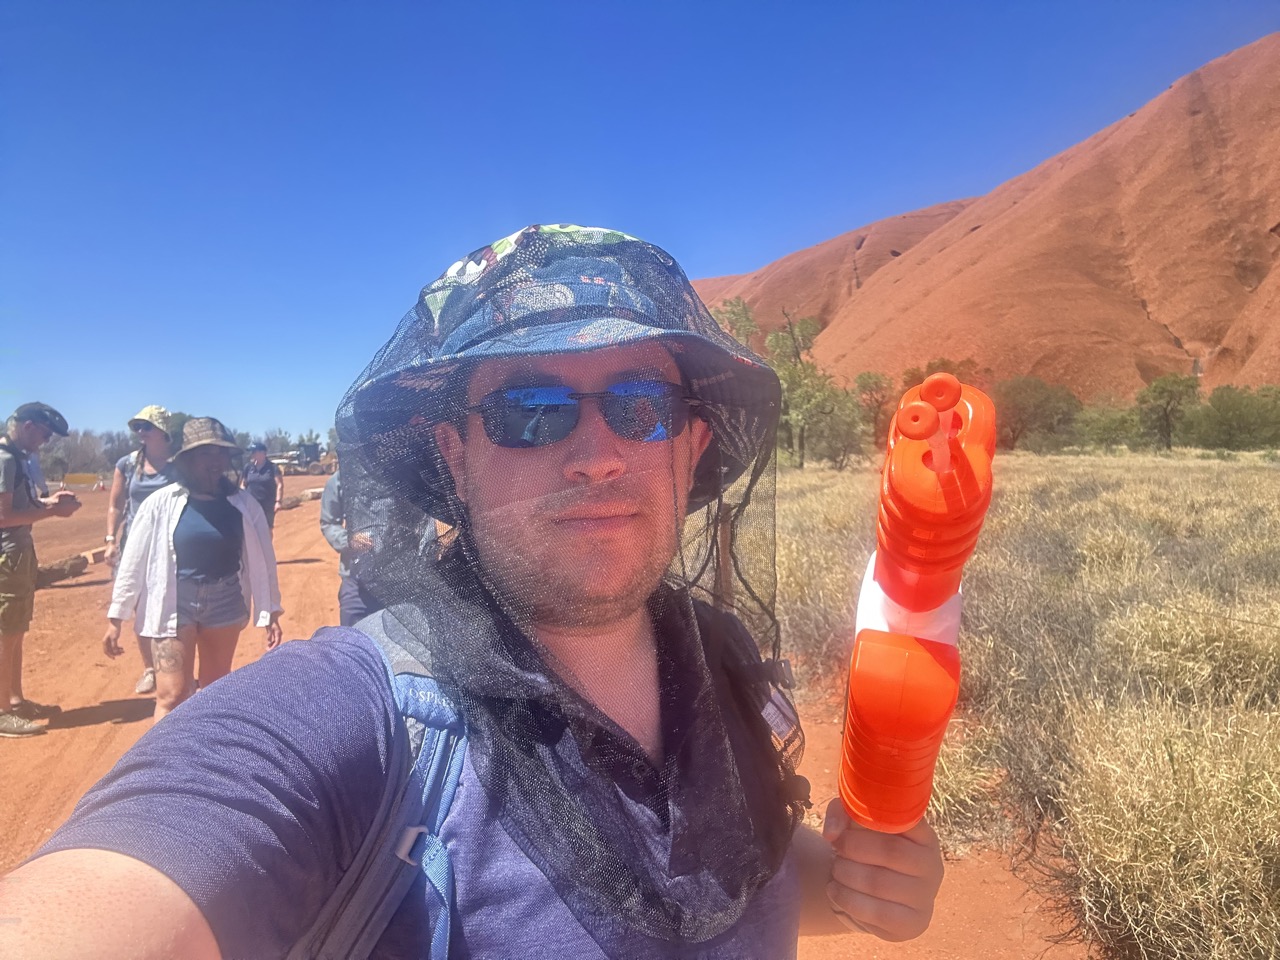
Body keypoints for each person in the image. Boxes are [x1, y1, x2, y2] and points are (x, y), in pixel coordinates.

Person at [0, 226, 942, 955]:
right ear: (455, 455)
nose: (597, 455)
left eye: (640, 406)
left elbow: (708, 894)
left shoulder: (724, 666)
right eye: (528, 410)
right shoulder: (349, 720)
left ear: (690, 445)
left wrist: (853, 884)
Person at [101, 417, 284, 724]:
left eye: (220, 453)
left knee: (213, 692)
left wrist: (271, 611)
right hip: (174, 601)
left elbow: (264, 560)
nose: (215, 461)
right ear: (187, 458)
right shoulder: (160, 503)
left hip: (226, 601)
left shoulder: (244, 504)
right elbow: (134, 560)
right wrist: (116, 617)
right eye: (205, 453)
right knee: (172, 695)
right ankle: (163, 769)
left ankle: (203, 763)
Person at [0, 403, 82, 738]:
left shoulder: (15, 457)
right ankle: (3, 711)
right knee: (6, 634)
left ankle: (15, 700)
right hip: (8, 556)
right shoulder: (6, 459)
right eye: (45, 435)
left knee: (16, 631)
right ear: (29, 426)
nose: (45, 442)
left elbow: (17, 507)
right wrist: (53, 514)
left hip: (18, 554)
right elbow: (3, 517)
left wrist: (48, 504)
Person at [104, 405, 179, 695]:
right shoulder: (127, 464)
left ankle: (172, 667)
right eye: (137, 427)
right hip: (133, 546)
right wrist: (110, 538)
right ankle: (150, 668)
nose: (140, 432)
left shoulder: (177, 468)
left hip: (168, 547)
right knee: (138, 607)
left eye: (146, 427)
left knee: (166, 605)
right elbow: (115, 504)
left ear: (163, 432)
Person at [319, 465, 384, 626]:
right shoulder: (338, 480)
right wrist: (349, 540)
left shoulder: (393, 474)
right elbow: (328, 523)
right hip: (355, 581)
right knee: (351, 641)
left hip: (395, 581)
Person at [240, 442, 284, 533]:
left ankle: (266, 547)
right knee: (251, 529)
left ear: (262, 453)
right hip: (251, 504)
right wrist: (242, 497)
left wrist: (278, 501)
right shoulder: (248, 467)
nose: (251, 454)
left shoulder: (272, 467)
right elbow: (243, 484)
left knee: (267, 529)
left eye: (254, 452)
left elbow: (279, 484)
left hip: (267, 504)